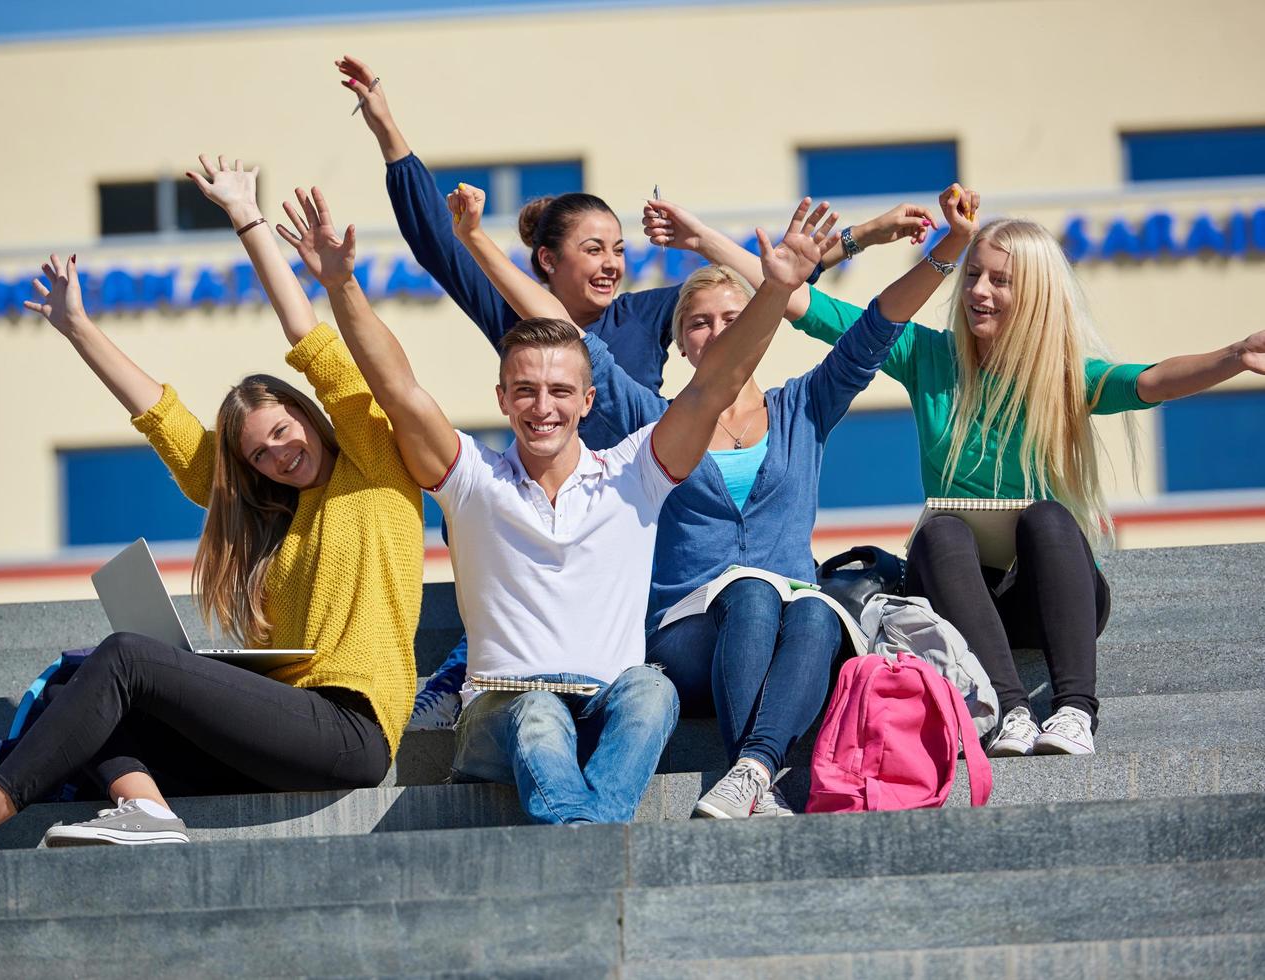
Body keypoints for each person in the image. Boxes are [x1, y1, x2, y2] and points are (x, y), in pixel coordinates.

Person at [338, 53, 938, 730]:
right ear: (545, 263)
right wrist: (388, 128)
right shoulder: (522, 317)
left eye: (617, 248)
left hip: (636, 512)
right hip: (543, 519)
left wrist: (867, 235)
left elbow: (768, 293)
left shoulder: (652, 314)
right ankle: (466, 665)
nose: (612, 263)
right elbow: (436, 240)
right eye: (593, 250)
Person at [0, 157, 423, 857]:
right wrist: (77, 326)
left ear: (308, 414)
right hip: (284, 729)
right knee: (71, 694)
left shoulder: (375, 465)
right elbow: (169, 424)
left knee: (124, 659)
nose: (276, 455)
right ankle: (145, 813)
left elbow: (315, 346)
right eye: (258, 455)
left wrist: (247, 219)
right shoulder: (278, 517)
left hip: (348, 729)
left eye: (282, 432)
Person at [276, 181, 839, 823]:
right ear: (502, 399)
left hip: (606, 707)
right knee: (540, 710)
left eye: (559, 391)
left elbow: (713, 386)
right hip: (504, 711)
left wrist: (775, 290)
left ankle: (579, 833)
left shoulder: (633, 474)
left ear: (588, 401)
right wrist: (342, 286)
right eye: (525, 391)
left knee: (652, 689)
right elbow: (398, 390)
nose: (543, 407)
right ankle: (588, 837)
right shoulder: (473, 480)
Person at [651, 187, 1265, 757]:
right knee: (940, 529)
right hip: (953, 594)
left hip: (1043, 593)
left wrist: (1234, 356)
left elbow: (1151, 381)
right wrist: (703, 238)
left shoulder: (1060, 374)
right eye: (974, 275)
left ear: (1035, 296)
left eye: (1001, 281)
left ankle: (1076, 708)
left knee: (1050, 517)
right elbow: (799, 300)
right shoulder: (927, 357)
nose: (980, 291)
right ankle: (1012, 710)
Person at [449, 181, 964, 816]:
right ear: (682, 340)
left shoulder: (802, 407)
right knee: (750, 592)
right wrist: (474, 240)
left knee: (816, 610)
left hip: (790, 631)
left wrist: (949, 250)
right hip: (686, 636)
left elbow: (879, 325)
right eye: (698, 322)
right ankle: (753, 769)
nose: (716, 331)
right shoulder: (657, 426)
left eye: (730, 317)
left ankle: (752, 770)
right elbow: (563, 335)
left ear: (757, 325)